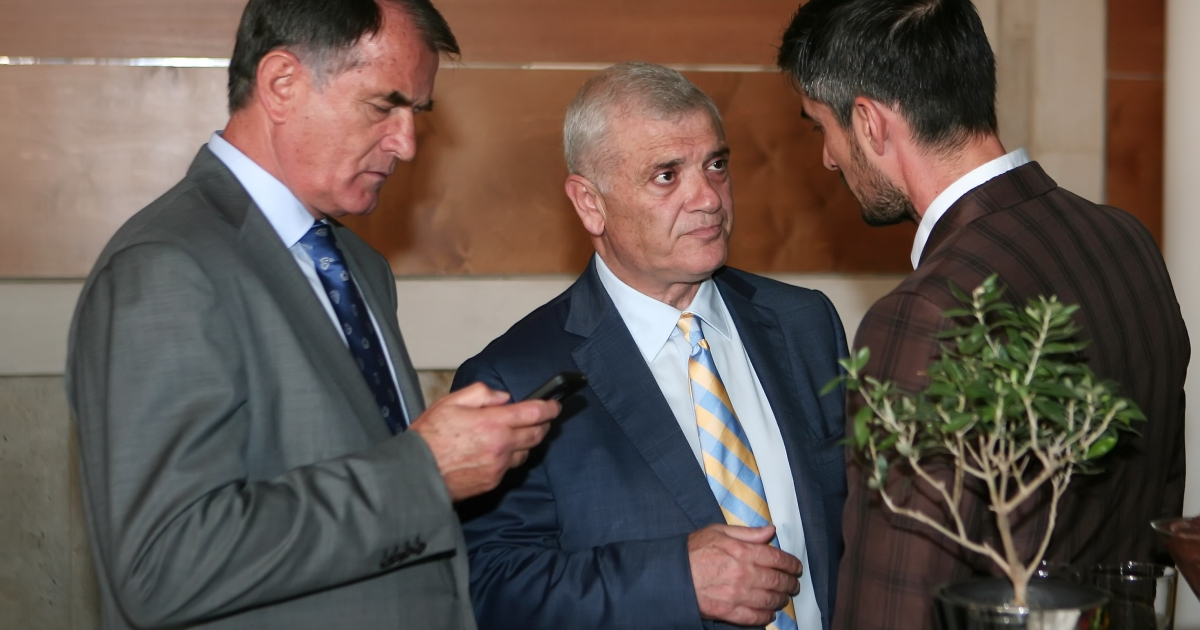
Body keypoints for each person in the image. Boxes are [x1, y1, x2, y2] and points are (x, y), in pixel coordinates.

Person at [65, 1, 560, 628]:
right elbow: (164, 564)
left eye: (416, 113)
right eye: (383, 106)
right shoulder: (165, 266)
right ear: (282, 84)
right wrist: (424, 472)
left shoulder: (355, 264)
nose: (406, 144)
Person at [776, 1, 1189, 629]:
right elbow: (1155, 511)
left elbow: (895, 606)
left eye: (819, 128)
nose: (830, 158)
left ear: (868, 122)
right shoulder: (1124, 240)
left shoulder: (925, 314)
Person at [453, 62, 849, 630]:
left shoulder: (804, 324)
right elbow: (492, 587)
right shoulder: (515, 379)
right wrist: (675, 581)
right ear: (590, 203)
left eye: (716, 165)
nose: (708, 198)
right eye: (666, 175)